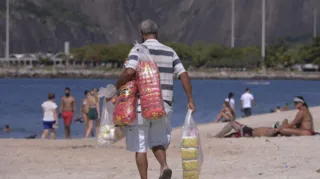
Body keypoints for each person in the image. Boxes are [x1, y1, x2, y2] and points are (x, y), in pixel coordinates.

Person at [114, 19, 195, 179]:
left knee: (141, 145)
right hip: (164, 105)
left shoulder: (137, 49)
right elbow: (183, 74)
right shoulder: (170, 51)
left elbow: (129, 72)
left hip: (140, 105)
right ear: (157, 33)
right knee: (158, 141)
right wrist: (190, 99)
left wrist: (117, 86)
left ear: (141, 34)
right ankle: (164, 166)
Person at [214, 121, 279, 138]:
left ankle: (217, 136)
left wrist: (277, 129)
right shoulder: (272, 129)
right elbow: (285, 121)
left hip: (248, 133)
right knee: (232, 135)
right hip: (249, 131)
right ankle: (219, 136)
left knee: (232, 123)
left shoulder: (271, 132)